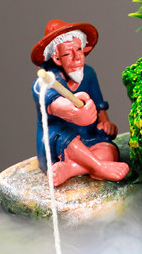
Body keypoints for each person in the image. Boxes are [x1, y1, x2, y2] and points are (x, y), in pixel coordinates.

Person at [31, 19, 130, 186]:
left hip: (89, 135)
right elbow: (56, 105)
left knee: (110, 151)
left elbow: (99, 106)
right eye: (68, 54)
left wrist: (105, 122)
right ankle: (98, 166)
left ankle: (71, 169)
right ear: (57, 58)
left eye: (79, 50)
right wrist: (75, 113)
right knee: (65, 136)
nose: (77, 58)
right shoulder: (44, 83)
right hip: (62, 142)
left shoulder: (89, 74)